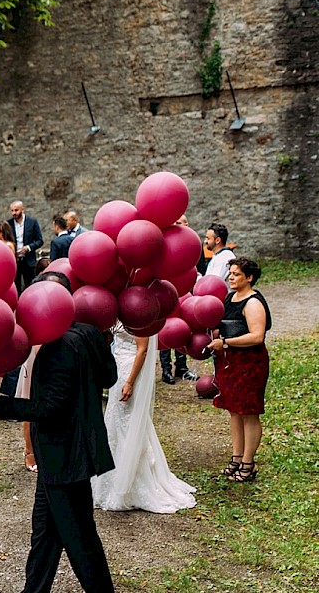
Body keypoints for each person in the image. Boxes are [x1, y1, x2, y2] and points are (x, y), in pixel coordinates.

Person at [0, 272, 117, 593]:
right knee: (45, 534)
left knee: (80, 541)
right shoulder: (90, 333)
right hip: (70, 455)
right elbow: (109, 377)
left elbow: (48, 408)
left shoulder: (57, 348)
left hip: (64, 457)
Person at [91, 330, 196, 512]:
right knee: (115, 420)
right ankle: (110, 478)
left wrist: (130, 382)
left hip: (130, 369)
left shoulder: (140, 316)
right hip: (118, 366)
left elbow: (142, 350)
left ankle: (133, 480)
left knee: (129, 421)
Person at [207, 257, 272, 483]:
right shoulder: (230, 298)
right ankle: (237, 457)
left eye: (236, 274)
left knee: (249, 413)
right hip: (230, 363)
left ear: (250, 278)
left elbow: (257, 336)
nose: (231, 278)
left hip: (250, 363)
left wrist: (225, 343)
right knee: (234, 410)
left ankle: (248, 463)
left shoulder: (253, 302)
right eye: (231, 274)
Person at [161, 216, 196, 383]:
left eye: (179, 222)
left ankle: (182, 367)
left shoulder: (191, 242)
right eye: (174, 222)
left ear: (187, 225)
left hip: (184, 293)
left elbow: (200, 267)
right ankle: (166, 369)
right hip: (166, 291)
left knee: (183, 328)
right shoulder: (164, 241)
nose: (176, 224)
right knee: (165, 328)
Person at [7, 201, 44, 293]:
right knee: (15, 288)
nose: (14, 213)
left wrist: (28, 247)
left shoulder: (32, 222)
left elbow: (40, 241)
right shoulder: (8, 224)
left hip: (29, 260)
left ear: (22, 210)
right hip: (14, 261)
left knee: (32, 287)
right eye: (12, 211)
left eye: (16, 210)